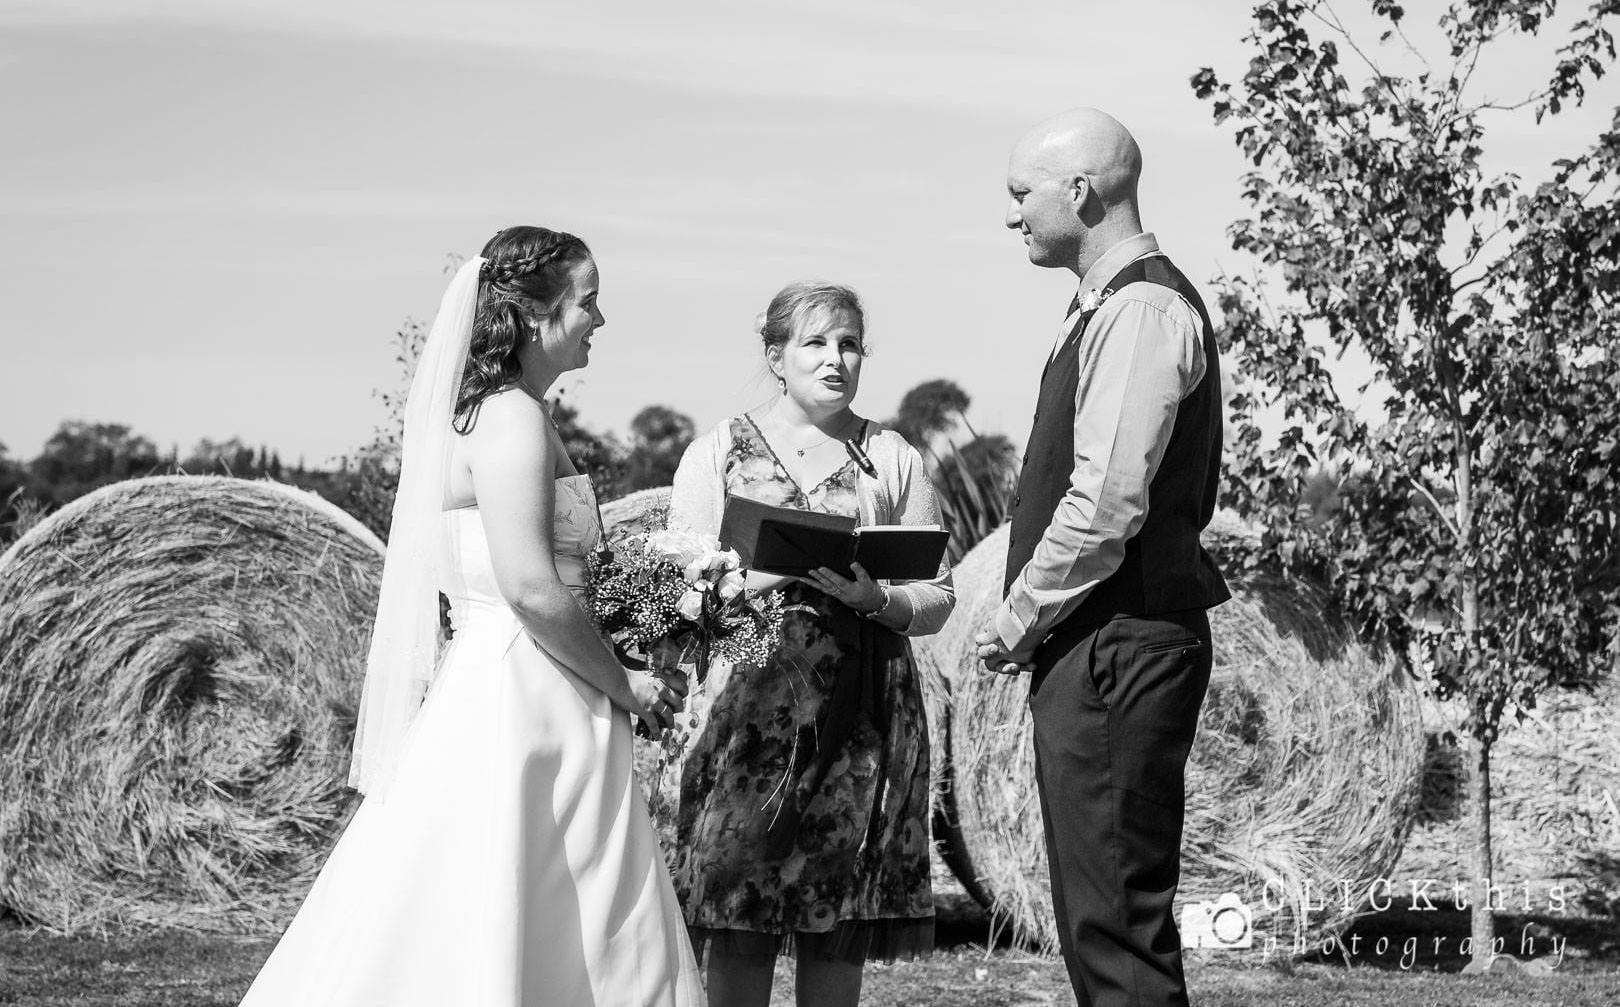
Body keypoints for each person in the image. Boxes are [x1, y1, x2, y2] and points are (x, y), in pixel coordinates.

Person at [238, 227, 704, 1006]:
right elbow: (531, 590)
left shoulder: (497, 414)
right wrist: (629, 684)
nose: (600, 319)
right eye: (588, 302)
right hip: (528, 692)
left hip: (521, 681)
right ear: (534, 315)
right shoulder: (511, 417)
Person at [974, 110, 1230, 1007]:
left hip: (1117, 645)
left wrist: (1015, 619)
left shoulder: (1140, 310)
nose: (1012, 215)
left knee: (1117, 926)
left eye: (1021, 194)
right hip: (1103, 643)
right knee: (1102, 918)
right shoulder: (1110, 308)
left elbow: (1105, 504)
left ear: (1078, 193)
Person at [660, 281, 954, 1007]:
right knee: (738, 916)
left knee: (836, 917)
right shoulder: (718, 452)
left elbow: (939, 596)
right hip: (744, 726)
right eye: (816, 343)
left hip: (860, 725)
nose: (836, 359)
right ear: (776, 355)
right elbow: (673, 595)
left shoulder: (889, 456)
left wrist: (876, 598)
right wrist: (750, 579)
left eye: (850, 344)